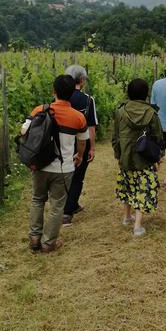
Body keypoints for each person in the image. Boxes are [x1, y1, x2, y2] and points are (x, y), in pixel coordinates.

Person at [22, 74, 86, 253]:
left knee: (37, 199)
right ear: (73, 93)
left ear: (53, 91)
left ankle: (34, 238)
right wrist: (79, 156)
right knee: (57, 205)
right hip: (63, 167)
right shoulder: (78, 117)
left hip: (40, 165)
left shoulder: (39, 110)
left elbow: (23, 130)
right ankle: (49, 243)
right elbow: (82, 141)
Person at [112, 78, 163, 237]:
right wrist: (157, 158)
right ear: (146, 94)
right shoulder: (151, 113)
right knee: (143, 188)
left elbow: (115, 138)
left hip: (125, 158)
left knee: (127, 186)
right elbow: (158, 138)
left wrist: (118, 156)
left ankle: (127, 217)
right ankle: (138, 226)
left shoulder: (120, 112)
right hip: (144, 158)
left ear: (129, 93)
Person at [62, 64, 98, 226]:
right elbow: (91, 127)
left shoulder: (60, 98)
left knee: (63, 176)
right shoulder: (88, 100)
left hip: (61, 143)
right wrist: (92, 148)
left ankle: (71, 205)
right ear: (82, 80)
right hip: (80, 144)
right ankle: (67, 212)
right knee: (77, 178)